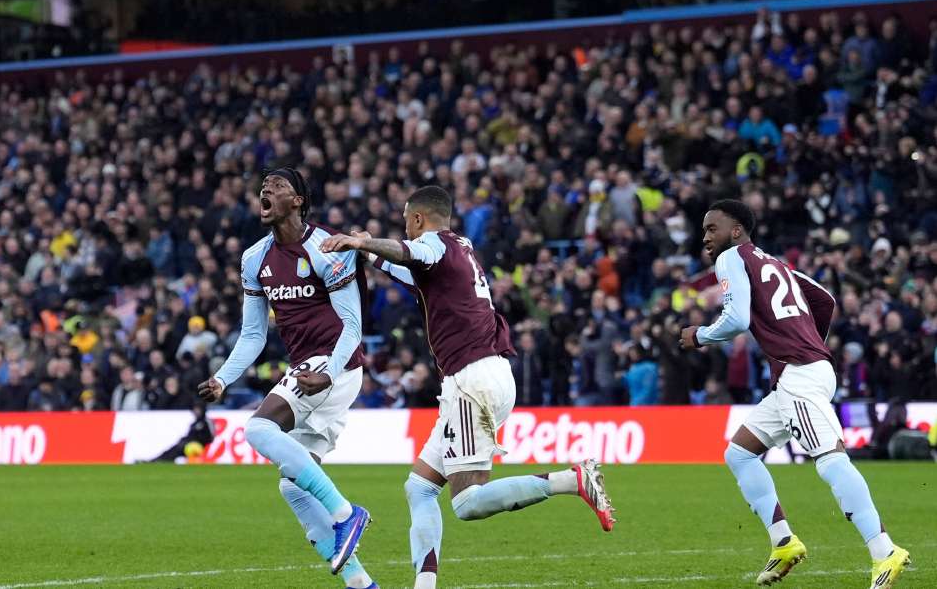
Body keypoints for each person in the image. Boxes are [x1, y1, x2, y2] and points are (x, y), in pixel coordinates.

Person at [322, 186, 615, 589]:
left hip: (471, 379)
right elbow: (409, 270)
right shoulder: (460, 245)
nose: (407, 228)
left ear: (419, 219)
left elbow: (409, 253)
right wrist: (367, 252)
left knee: (466, 503)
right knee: (420, 488)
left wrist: (367, 241)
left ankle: (572, 480)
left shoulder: (432, 243)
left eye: (408, 220)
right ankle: (424, 585)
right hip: (478, 375)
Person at [680, 199, 910, 588]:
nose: (705, 237)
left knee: (830, 462)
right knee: (739, 453)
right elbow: (825, 300)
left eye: (712, 228)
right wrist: (806, 342)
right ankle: (783, 542)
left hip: (799, 374)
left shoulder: (731, 258)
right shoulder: (774, 263)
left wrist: (699, 336)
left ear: (736, 231)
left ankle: (884, 550)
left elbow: (736, 319)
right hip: (805, 370)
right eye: (704, 230)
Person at [197, 168, 376, 588]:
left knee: (258, 429)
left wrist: (329, 371)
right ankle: (361, 584)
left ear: (297, 200)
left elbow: (353, 325)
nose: (266, 190)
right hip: (318, 372)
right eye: (263, 186)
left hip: (335, 364)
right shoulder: (254, 259)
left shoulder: (327, 248)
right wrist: (223, 378)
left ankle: (347, 514)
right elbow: (254, 334)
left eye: (277, 186)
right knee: (293, 486)